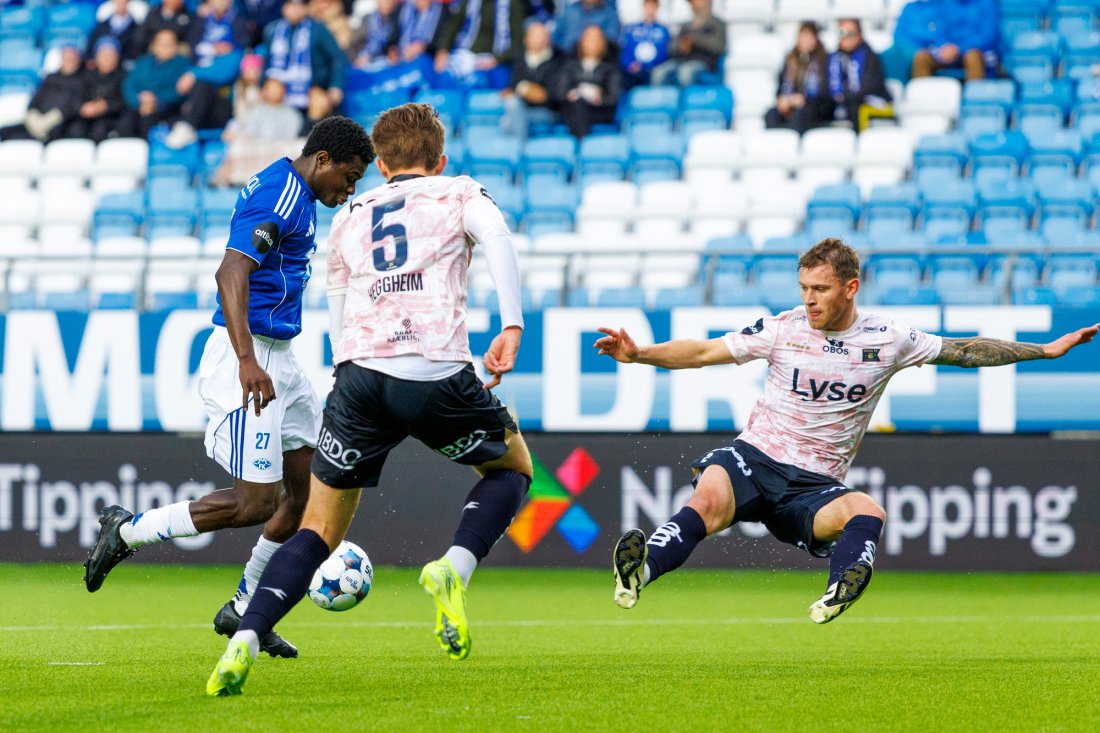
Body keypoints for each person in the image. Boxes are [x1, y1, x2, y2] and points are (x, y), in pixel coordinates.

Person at [595, 238, 1098, 625]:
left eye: (820, 289)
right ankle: (642, 570)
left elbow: (965, 351)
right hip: (756, 456)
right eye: (804, 289)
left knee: (867, 512)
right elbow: (704, 352)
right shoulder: (783, 327)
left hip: (814, 485)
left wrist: (1045, 351)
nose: (808, 300)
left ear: (850, 287)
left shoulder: (889, 339)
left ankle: (839, 589)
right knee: (708, 499)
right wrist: (640, 354)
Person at [206, 102, 531, 696]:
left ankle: (245, 638)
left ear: (379, 165)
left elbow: (336, 295)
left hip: (357, 379)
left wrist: (341, 371)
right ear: (441, 158)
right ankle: (452, 568)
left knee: (318, 526)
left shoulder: (350, 213)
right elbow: (498, 238)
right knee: (513, 467)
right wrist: (511, 326)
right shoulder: (458, 191)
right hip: (433, 368)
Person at [83, 117, 373, 661]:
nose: (350, 189)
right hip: (250, 357)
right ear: (324, 159)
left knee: (309, 495)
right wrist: (246, 361)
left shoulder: (299, 195)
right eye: (350, 176)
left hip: (280, 358)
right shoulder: (282, 196)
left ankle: (246, 607)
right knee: (255, 503)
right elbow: (230, 274)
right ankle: (127, 531)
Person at [163, 0, 251, 148]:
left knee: (203, 84)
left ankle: (187, 125)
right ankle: (180, 124)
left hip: (222, 101)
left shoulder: (238, 24)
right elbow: (190, 53)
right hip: (193, 97)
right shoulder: (200, 22)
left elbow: (231, 66)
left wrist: (194, 73)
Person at [262, 0, 347, 127]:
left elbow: (338, 58)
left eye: (299, 5)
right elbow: (267, 61)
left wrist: (335, 86)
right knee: (272, 90)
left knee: (318, 101)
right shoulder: (272, 30)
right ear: (284, 8)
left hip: (313, 87)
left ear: (305, 8)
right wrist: (262, 85)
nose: (294, 9)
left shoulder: (318, 30)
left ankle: (308, 138)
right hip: (283, 87)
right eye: (291, 5)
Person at [896, 0, 1001, 82]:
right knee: (922, 57)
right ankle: (922, 99)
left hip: (976, 52)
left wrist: (959, 49)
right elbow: (938, 30)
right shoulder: (944, 3)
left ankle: (974, 101)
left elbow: (988, 36)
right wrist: (943, 47)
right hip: (947, 52)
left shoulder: (987, 3)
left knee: (972, 56)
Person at [431, 0, 529, 87]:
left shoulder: (512, 4)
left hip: (497, 58)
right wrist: (442, 51)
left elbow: (518, 41)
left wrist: (496, 60)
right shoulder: (469, 2)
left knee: (485, 81)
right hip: (466, 54)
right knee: (445, 76)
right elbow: (452, 27)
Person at [0, 45, 86, 142]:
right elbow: (36, 99)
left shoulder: (82, 79)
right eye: (66, 57)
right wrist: (33, 114)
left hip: (59, 124)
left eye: (72, 58)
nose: (69, 61)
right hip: (37, 120)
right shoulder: (51, 78)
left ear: (78, 60)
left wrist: (53, 118)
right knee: (5, 131)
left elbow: (75, 104)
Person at [121, 28, 192, 138]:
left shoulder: (183, 64)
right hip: (138, 106)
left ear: (176, 46)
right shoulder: (143, 61)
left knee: (148, 124)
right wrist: (139, 100)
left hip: (166, 110)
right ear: (154, 45)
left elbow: (180, 91)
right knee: (125, 123)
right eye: (162, 44)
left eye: (169, 44)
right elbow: (129, 84)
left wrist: (155, 101)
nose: (165, 48)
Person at [500, 19, 564, 139]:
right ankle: (520, 146)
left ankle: (520, 146)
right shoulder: (519, 57)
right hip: (522, 108)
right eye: (535, 36)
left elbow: (549, 95)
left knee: (508, 123)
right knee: (512, 104)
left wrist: (526, 90)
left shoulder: (559, 59)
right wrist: (527, 90)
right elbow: (511, 88)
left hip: (548, 112)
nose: (539, 40)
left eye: (543, 36)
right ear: (526, 39)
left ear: (548, 38)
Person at [764, 20, 830, 134]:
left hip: (815, 107)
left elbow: (825, 92)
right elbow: (781, 88)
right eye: (802, 36)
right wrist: (784, 100)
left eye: (809, 37)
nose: (805, 41)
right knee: (771, 114)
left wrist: (804, 99)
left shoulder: (824, 61)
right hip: (791, 104)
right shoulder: (790, 60)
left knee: (800, 115)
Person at [556, 25, 620, 139]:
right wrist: (570, 94)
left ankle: (581, 144)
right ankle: (582, 142)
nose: (592, 44)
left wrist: (599, 99)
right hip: (572, 109)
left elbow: (613, 98)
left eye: (596, 39)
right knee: (578, 104)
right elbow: (560, 93)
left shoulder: (611, 69)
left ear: (604, 44)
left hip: (599, 111)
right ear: (581, 42)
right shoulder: (569, 67)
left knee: (579, 107)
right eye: (589, 39)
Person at [828, 18, 892, 132]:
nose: (846, 37)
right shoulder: (832, 59)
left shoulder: (870, 57)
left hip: (873, 102)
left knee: (856, 105)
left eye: (850, 33)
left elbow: (868, 87)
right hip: (845, 102)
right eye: (842, 33)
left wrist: (844, 95)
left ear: (859, 35)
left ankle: (859, 143)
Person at [649, 0, 725, 87]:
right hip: (682, 61)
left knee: (686, 72)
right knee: (659, 72)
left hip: (704, 62)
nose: (694, 4)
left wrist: (695, 41)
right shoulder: (686, 26)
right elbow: (672, 47)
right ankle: (663, 100)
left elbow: (718, 47)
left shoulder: (716, 24)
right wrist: (681, 45)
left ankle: (687, 99)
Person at [72, 37, 129, 143]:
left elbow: (125, 100)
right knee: (75, 129)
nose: (107, 59)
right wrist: (83, 107)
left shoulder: (124, 76)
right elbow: (76, 96)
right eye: (103, 55)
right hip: (86, 116)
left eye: (111, 55)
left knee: (100, 130)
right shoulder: (86, 75)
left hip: (111, 117)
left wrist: (105, 106)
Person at [619, 0, 670, 89]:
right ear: (643, 7)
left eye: (653, 6)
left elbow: (664, 53)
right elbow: (625, 50)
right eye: (648, 6)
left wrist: (645, 66)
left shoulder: (663, 30)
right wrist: (629, 64)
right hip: (632, 69)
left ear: (657, 8)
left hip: (652, 69)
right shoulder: (632, 29)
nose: (650, 10)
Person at [552, 0, 620, 57]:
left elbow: (612, 41)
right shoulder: (570, 10)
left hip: (598, 60)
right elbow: (557, 38)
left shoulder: (610, 13)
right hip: (565, 58)